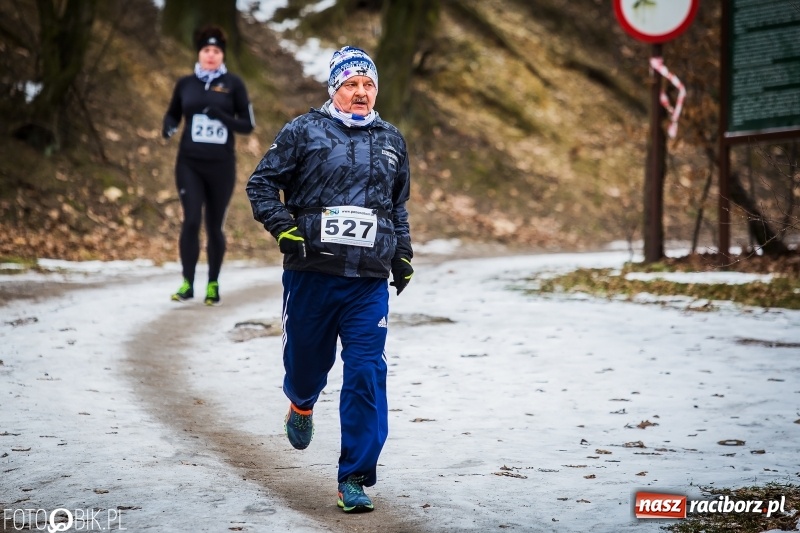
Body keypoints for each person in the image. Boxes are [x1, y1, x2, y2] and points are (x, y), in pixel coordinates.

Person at [246, 46, 414, 513]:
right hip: (312, 275)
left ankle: (354, 477)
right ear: (334, 89)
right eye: (351, 84)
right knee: (305, 366)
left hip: (367, 282)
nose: (361, 93)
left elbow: (396, 206)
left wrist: (402, 255)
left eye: (368, 85)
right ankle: (301, 402)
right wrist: (284, 226)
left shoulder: (392, 139)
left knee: (366, 373)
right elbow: (261, 184)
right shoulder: (304, 130)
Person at [162, 25, 255, 305]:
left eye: (216, 51)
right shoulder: (185, 84)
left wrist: (221, 116)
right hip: (189, 163)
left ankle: (213, 283)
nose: (211, 55)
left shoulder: (234, 84)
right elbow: (172, 115)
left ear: (222, 55)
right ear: (199, 53)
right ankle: (187, 283)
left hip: (221, 166)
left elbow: (247, 125)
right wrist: (168, 127)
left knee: (214, 226)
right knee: (191, 220)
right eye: (206, 50)